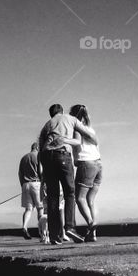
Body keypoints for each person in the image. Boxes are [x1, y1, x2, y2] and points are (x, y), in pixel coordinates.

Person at [37, 103, 96, 244]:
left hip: (46, 157)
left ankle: (54, 237)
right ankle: (70, 227)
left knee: (52, 197)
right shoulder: (70, 118)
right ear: (62, 111)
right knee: (70, 192)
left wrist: (43, 176)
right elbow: (87, 133)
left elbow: (40, 150)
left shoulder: (46, 125)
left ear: (51, 114)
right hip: (62, 154)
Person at [68, 104, 103, 243]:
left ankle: (91, 223)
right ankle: (93, 234)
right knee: (91, 200)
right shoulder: (91, 129)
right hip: (98, 164)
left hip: (86, 164)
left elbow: (76, 145)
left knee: (80, 198)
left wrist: (75, 160)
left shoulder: (77, 129)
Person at [18, 140, 44, 239]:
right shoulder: (39, 156)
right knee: (40, 208)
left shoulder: (24, 158)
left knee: (28, 209)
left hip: (25, 184)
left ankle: (24, 227)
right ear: (38, 148)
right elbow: (41, 171)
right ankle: (42, 234)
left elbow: (20, 174)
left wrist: (23, 185)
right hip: (37, 183)